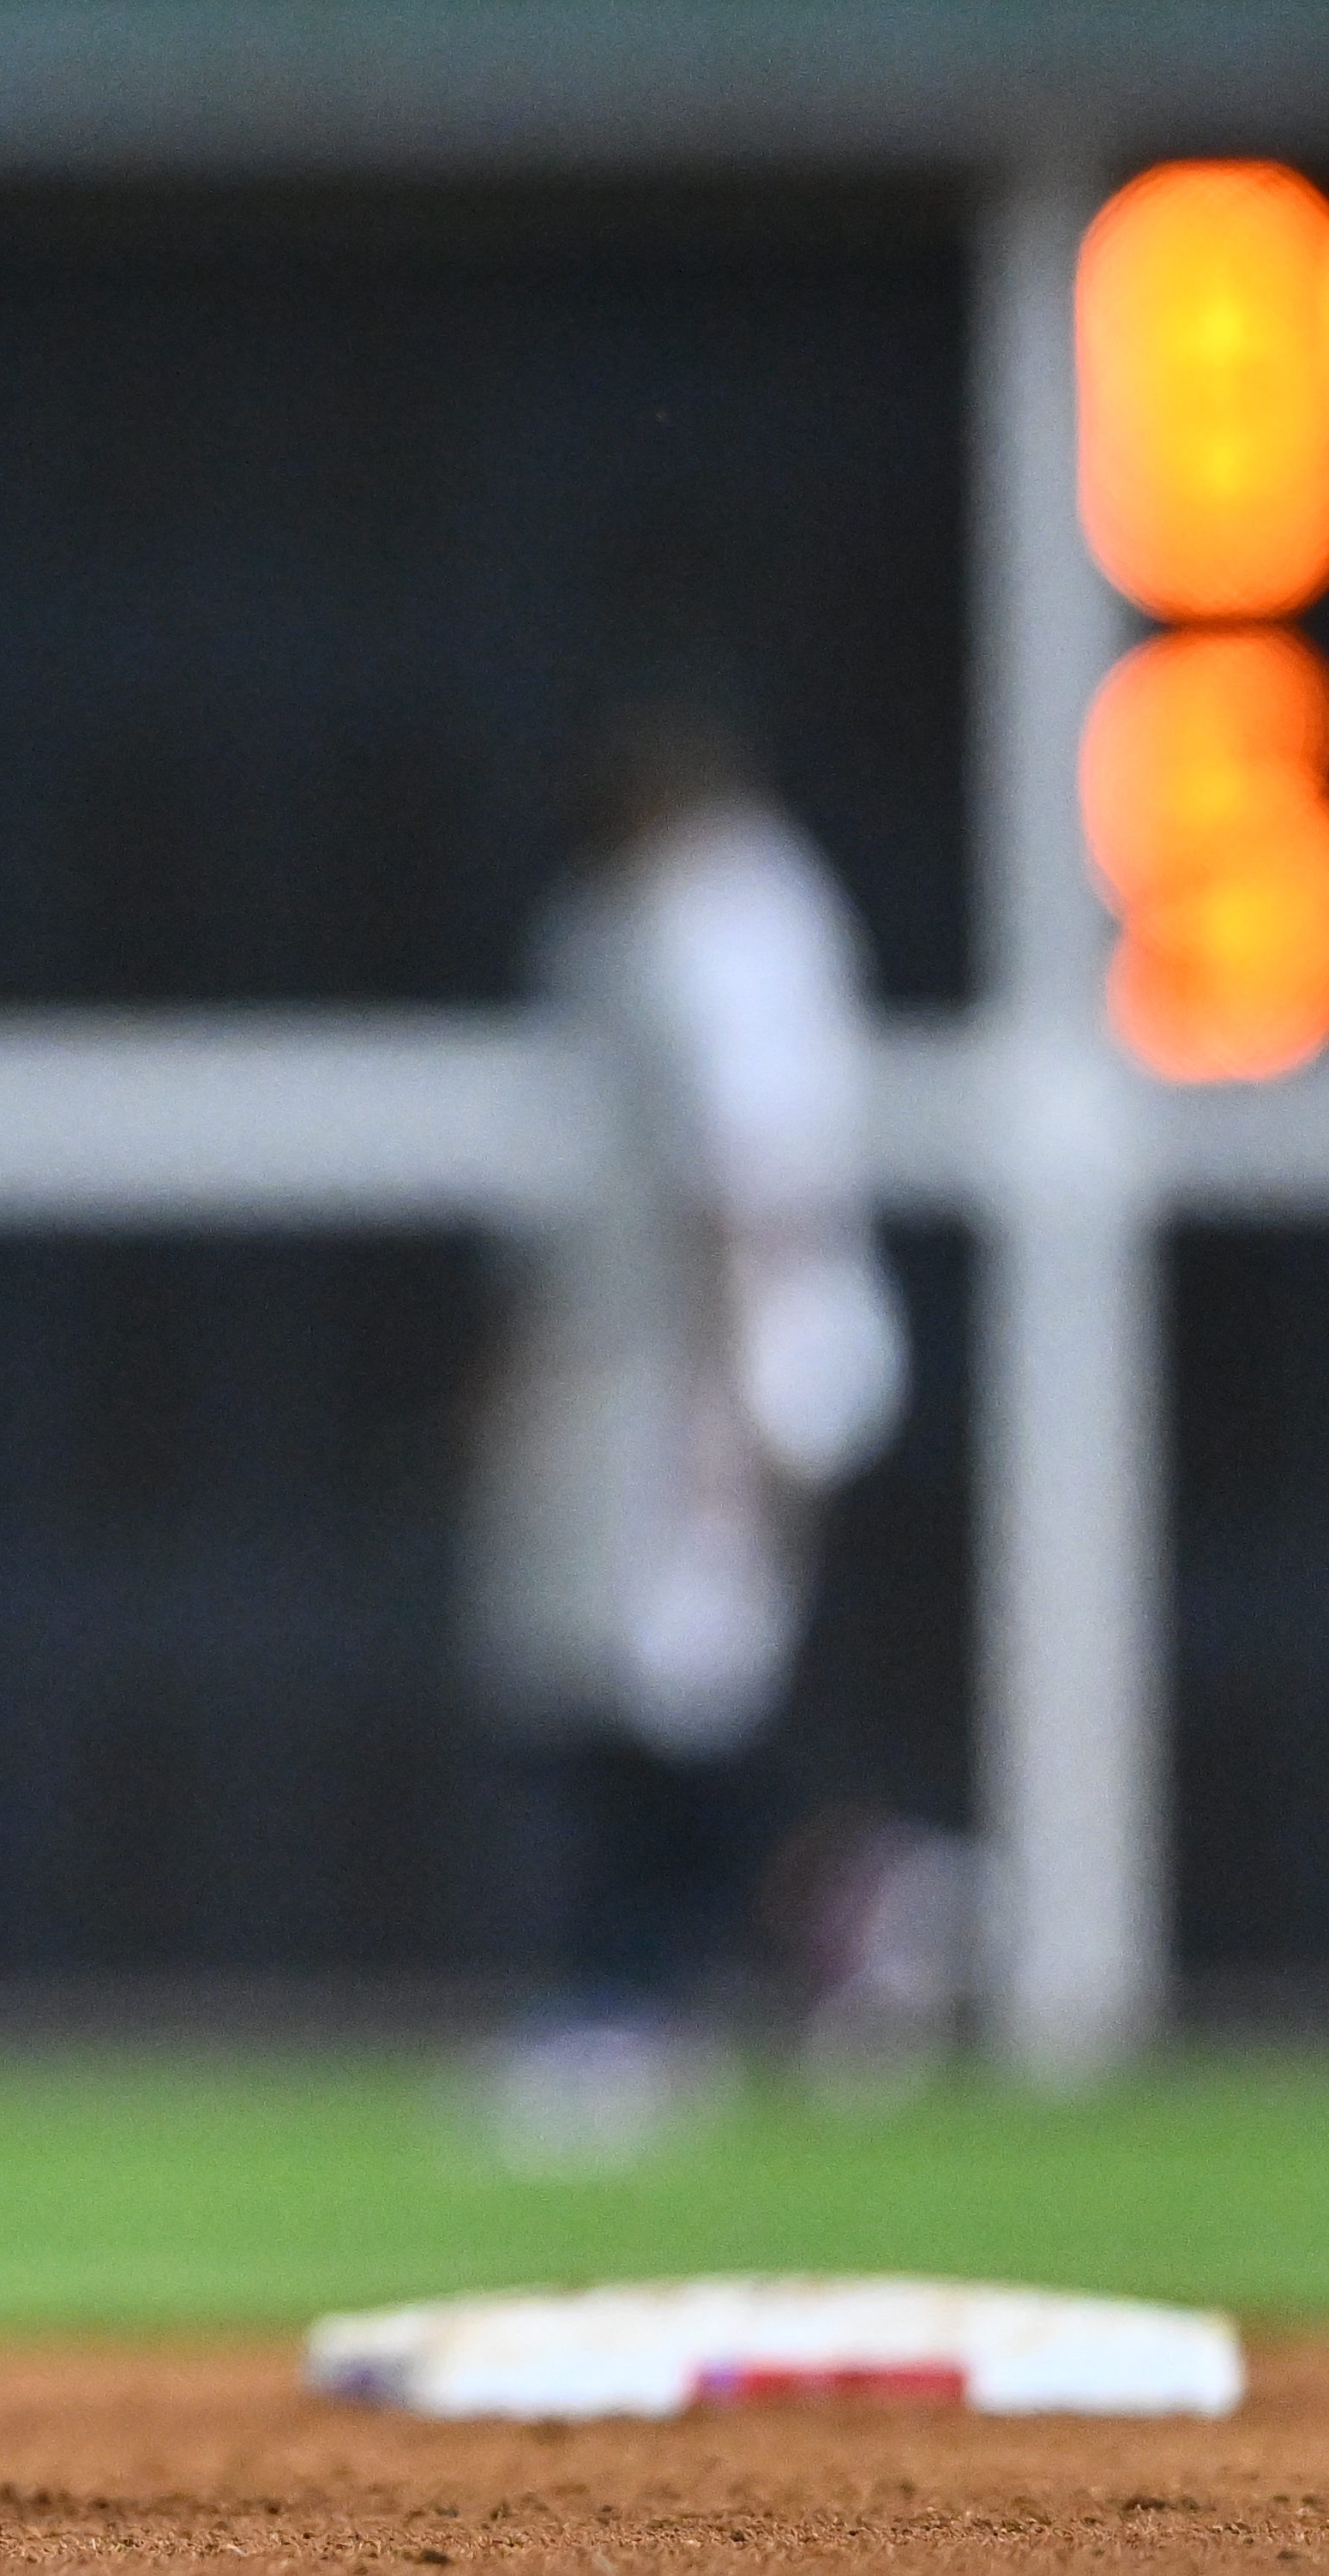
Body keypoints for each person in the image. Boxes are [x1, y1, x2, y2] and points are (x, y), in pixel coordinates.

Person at [465, 699, 905, 2168]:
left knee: (669, 1680)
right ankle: (843, 1898)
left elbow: (744, 1186)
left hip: (706, 1366)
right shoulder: (628, 914)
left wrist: (728, 1410)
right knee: (594, 1685)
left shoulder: (722, 919)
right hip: (633, 1361)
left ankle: (647, 1997)